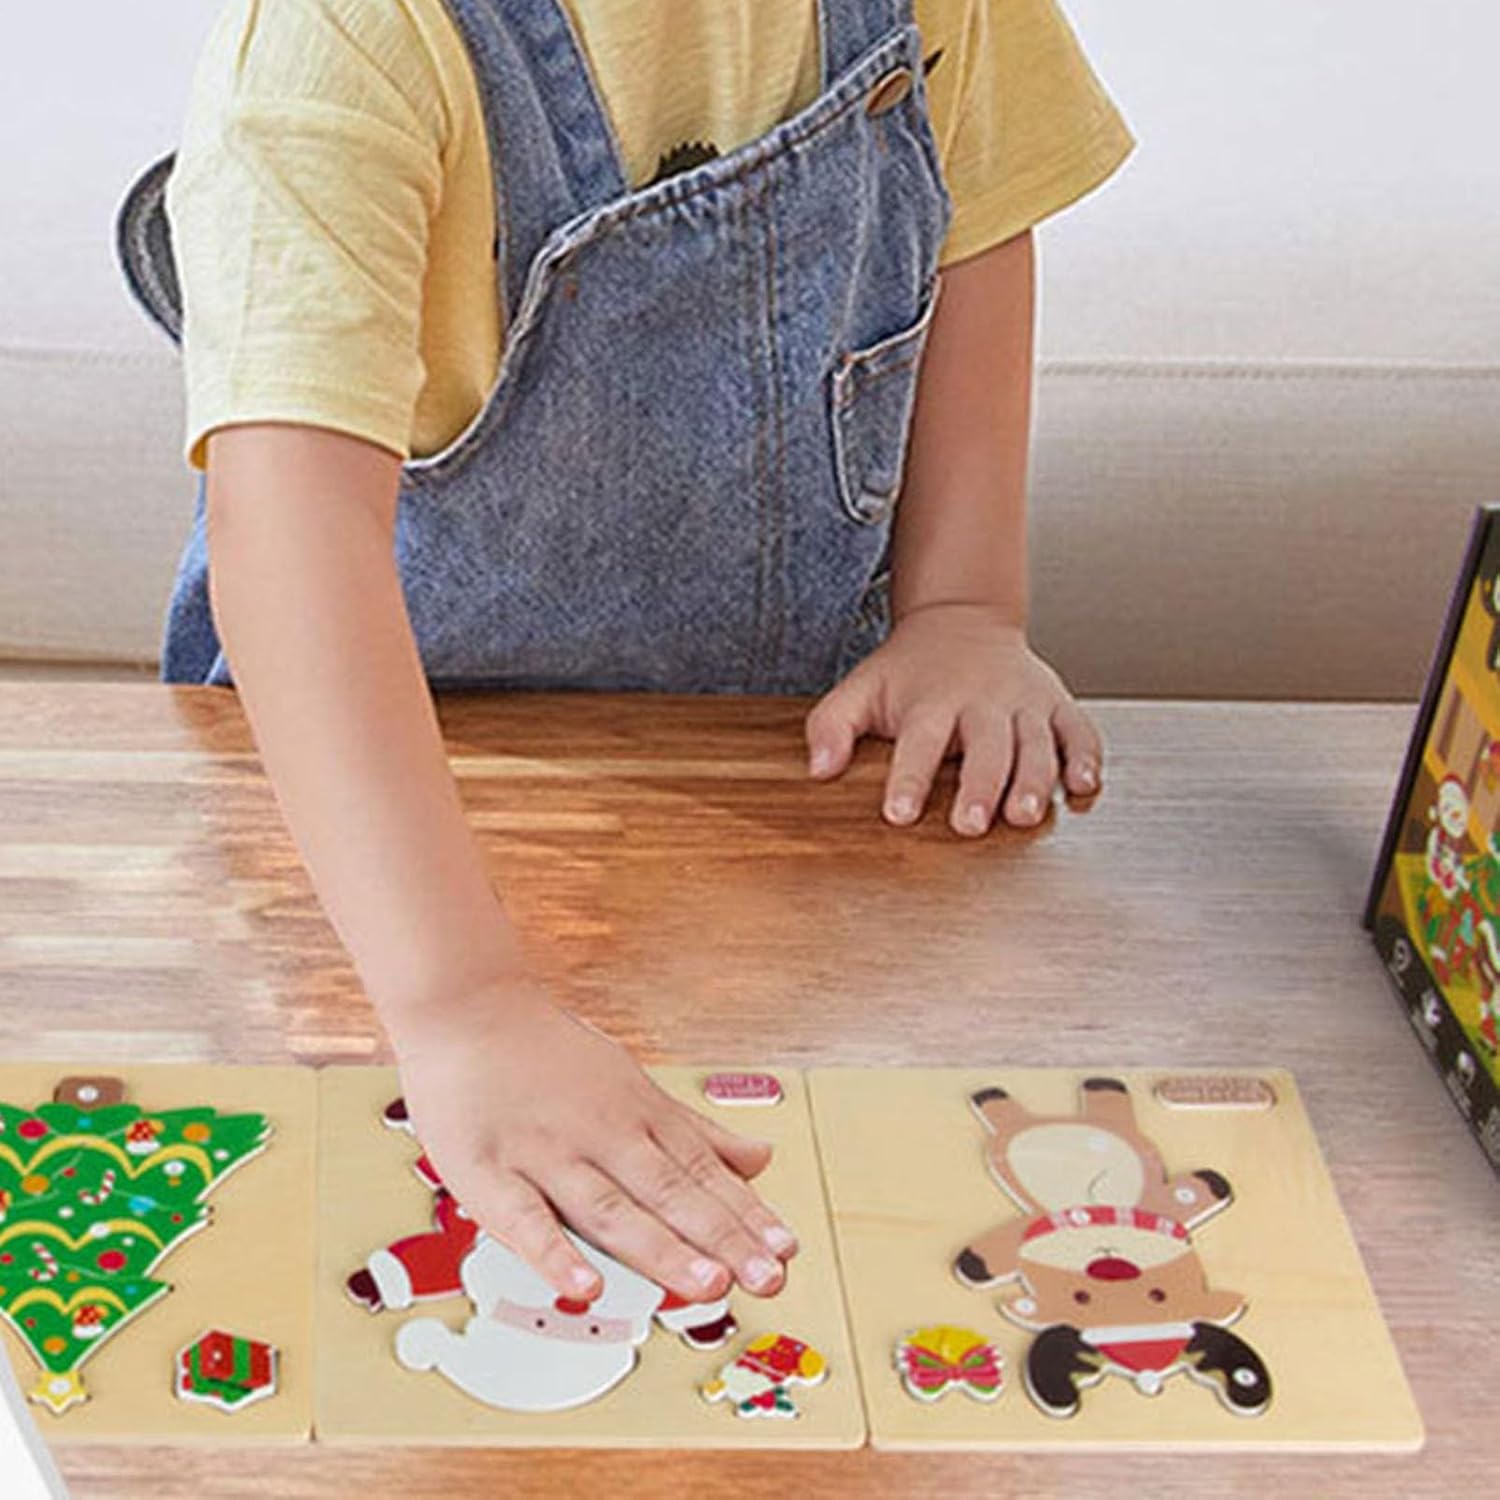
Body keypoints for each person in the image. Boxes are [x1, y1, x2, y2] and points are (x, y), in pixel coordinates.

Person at [115, 0, 1134, 1309]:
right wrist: (463, 1004)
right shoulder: (341, 35)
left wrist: (966, 609)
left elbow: (974, 227)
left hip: (769, 778)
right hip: (379, 819)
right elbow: (288, 530)